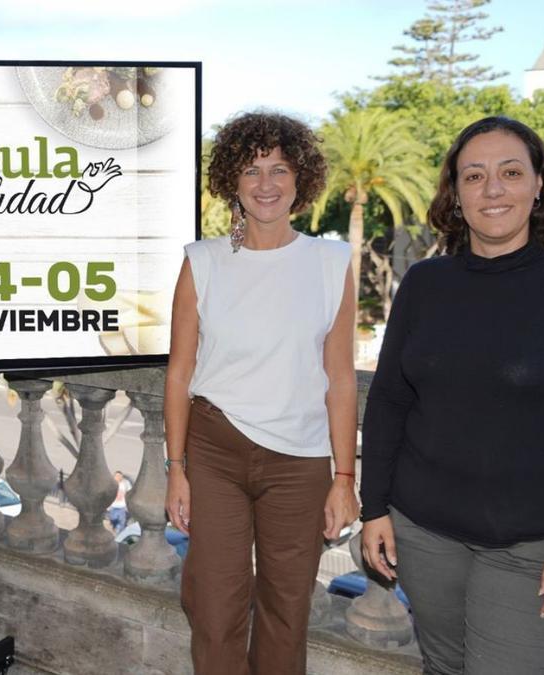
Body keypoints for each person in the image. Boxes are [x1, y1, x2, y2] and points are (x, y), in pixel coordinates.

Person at [359, 116, 544, 674]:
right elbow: (389, 400)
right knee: (443, 668)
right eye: (474, 176)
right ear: (455, 195)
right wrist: (374, 509)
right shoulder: (424, 284)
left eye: (510, 172)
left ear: (539, 186)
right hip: (423, 535)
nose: (492, 189)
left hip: (532, 550)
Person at [164, 111, 359, 674]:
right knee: (214, 606)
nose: (266, 183)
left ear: (302, 181)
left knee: (286, 608)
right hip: (215, 450)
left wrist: (344, 478)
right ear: (233, 180)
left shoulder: (330, 264)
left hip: (300, 463)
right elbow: (179, 374)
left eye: (279, 169)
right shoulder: (201, 262)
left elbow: (340, 379)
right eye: (252, 170)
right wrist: (176, 467)